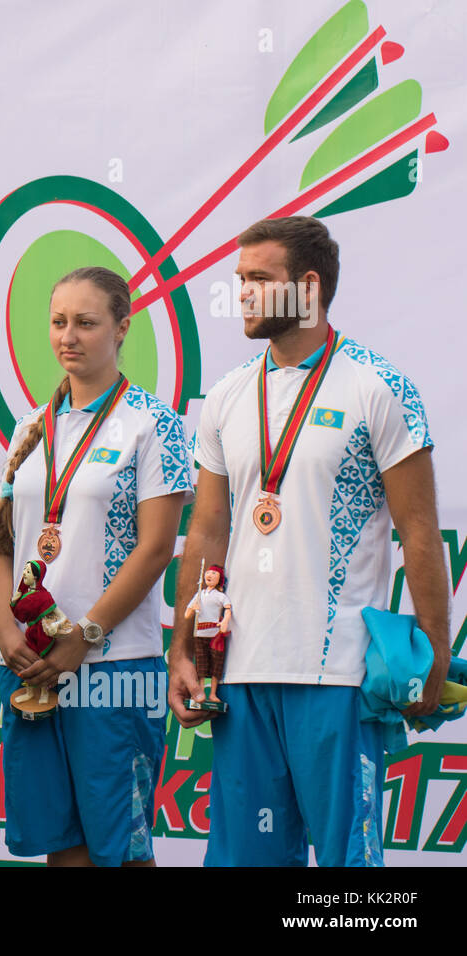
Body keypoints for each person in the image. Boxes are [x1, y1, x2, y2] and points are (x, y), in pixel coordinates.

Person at [170, 216, 450, 867]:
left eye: (258, 279)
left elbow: (419, 532)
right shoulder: (226, 396)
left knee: (349, 878)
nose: (241, 292)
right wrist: (186, 647)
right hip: (238, 675)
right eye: (239, 279)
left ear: (308, 286)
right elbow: (207, 532)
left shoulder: (379, 388)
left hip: (340, 675)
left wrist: (434, 648)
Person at [0, 266, 191, 867]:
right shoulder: (29, 427)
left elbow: (155, 550)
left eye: (87, 323)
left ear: (122, 328)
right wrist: (3, 630)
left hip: (115, 667)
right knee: (60, 844)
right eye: (58, 322)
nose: (69, 336)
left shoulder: (155, 425)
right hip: (30, 663)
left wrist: (86, 636)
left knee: (120, 848)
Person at [183, 564, 231, 705]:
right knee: (201, 666)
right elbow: (187, 614)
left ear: (219, 578)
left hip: (215, 635)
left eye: (214, 574)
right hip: (199, 633)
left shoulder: (221, 596)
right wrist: (193, 609)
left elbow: (228, 610)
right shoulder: (198, 595)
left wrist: (225, 621)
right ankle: (201, 693)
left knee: (216, 665)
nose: (209, 575)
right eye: (208, 573)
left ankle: (213, 694)